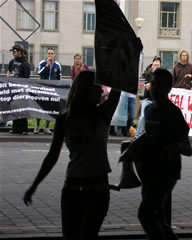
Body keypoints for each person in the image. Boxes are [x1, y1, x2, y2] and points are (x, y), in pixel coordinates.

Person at [23, 71, 120, 240]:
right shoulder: (98, 116)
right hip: (86, 190)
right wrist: (34, 185)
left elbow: (118, 85)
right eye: (97, 88)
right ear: (86, 90)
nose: (102, 92)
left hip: (81, 189)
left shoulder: (71, 119)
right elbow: (52, 156)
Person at [138, 68, 192, 240]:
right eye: (153, 83)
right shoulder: (148, 110)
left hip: (166, 173)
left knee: (145, 214)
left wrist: (174, 147)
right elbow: (149, 136)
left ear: (168, 88)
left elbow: (188, 149)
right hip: (149, 171)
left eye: (159, 85)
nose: (155, 88)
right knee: (159, 220)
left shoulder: (173, 113)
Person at [35, 48, 62, 135]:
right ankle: (38, 125)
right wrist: (47, 65)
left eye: (52, 53)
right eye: (49, 53)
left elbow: (59, 78)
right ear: (47, 54)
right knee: (40, 107)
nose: (50, 55)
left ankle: (47, 127)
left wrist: (58, 87)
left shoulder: (57, 65)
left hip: (52, 90)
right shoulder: (42, 63)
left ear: (54, 54)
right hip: (43, 88)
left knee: (50, 108)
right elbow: (40, 73)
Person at [135, 56, 161, 138]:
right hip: (147, 100)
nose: (156, 67)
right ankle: (137, 135)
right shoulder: (148, 74)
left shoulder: (161, 75)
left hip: (156, 100)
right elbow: (148, 87)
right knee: (142, 117)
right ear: (152, 65)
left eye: (158, 65)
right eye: (155, 65)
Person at [7, 44, 30, 135]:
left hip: (21, 89)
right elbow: (9, 71)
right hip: (13, 89)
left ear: (19, 52)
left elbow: (26, 77)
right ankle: (15, 128)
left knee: (22, 109)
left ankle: (24, 128)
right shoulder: (12, 62)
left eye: (15, 51)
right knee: (14, 108)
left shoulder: (25, 64)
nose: (13, 53)